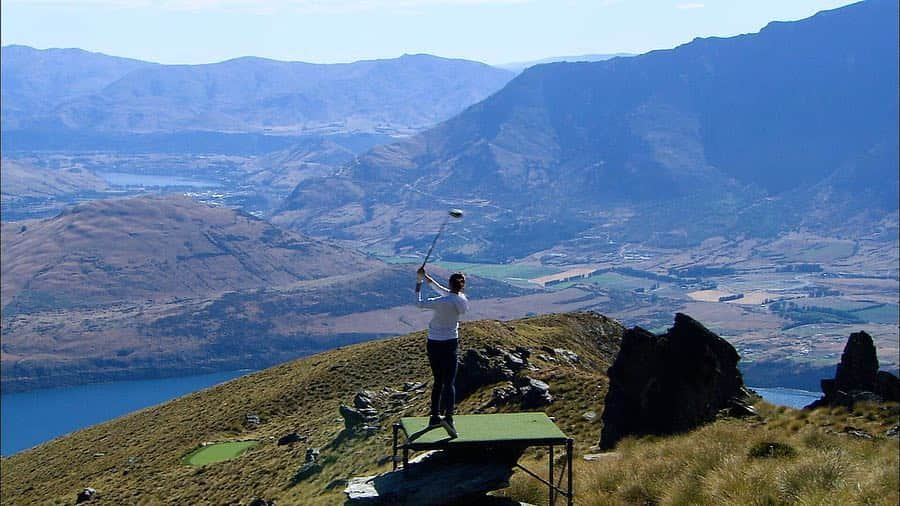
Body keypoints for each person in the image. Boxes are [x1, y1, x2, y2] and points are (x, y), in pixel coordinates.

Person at [416, 266, 468, 436]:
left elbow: (419, 303)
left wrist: (418, 283)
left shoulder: (441, 301)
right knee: (449, 383)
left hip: (434, 343)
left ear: (450, 283)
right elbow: (444, 290)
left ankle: (434, 416)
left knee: (438, 381)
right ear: (462, 286)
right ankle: (449, 418)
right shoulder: (461, 301)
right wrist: (426, 277)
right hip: (450, 343)